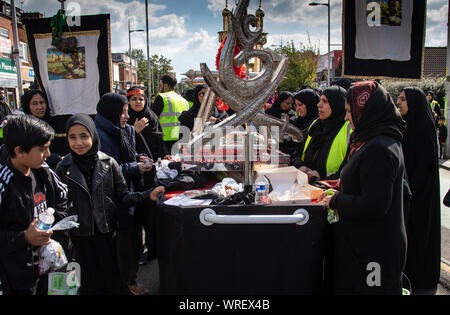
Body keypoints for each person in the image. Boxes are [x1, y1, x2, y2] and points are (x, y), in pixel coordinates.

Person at [56, 113, 164, 295]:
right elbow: (60, 206)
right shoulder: (62, 168)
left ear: (92, 135)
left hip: (107, 237)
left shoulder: (108, 163)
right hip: (79, 241)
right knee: (85, 285)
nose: (78, 143)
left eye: (84, 136)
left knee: (112, 283)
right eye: (72, 137)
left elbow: (124, 196)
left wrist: (148, 195)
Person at [320, 80, 408, 295]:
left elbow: (375, 205)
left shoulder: (380, 148)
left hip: (375, 252)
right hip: (365, 247)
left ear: (366, 111)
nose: (346, 117)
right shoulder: (372, 141)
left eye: (350, 111)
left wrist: (335, 200)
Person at [94, 93, 157, 295]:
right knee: (125, 247)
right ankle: (127, 285)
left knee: (134, 242)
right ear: (111, 112)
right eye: (123, 112)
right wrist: (135, 167)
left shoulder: (122, 130)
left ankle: (129, 281)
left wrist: (140, 158)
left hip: (131, 194)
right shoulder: (100, 136)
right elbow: (109, 168)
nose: (126, 116)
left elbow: (127, 154)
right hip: (116, 200)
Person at [0, 115, 68, 295]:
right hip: (15, 278)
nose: (47, 155)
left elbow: (62, 196)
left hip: (47, 267)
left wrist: (54, 225)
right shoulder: (4, 184)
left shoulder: (43, 170)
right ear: (19, 151)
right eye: (42, 149)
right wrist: (24, 237)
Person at [397, 87, 441, 295]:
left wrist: (409, 191)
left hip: (420, 198)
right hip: (408, 196)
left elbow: (423, 168)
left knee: (419, 240)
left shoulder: (423, 130)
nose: (399, 103)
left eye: (403, 100)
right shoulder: (404, 127)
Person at [292, 86, 352, 182]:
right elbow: (296, 154)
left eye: (325, 101)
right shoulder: (315, 124)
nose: (319, 105)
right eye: (320, 101)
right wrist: (301, 166)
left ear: (336, 104)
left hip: (329, 191)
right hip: (305, 185)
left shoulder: (349, 128)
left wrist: (321, 176)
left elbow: (349, 171)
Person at [17, 90, 65, 169]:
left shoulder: (53, 123)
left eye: (42, 102)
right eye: (35, 103)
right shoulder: (24, 128)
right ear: (27, 106)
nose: (40, 107)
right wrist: (57, 158)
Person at [126, 86, 168, 161]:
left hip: (153, 158)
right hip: (133, 160)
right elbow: (122, 142)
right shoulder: (125, 118)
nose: (138, 102)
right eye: (134, 99)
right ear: (128, 101)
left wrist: (165, 154)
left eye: (141, 99)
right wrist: (133, 131)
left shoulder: (151, 117)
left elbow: (159, 138)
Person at [151, 75, 189, 154]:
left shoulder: (161, 97)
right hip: (182, 137)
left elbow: (153, 119)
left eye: (160, 85)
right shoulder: (184, 100)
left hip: (165, 138)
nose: (159, 88)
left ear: (165, 85)